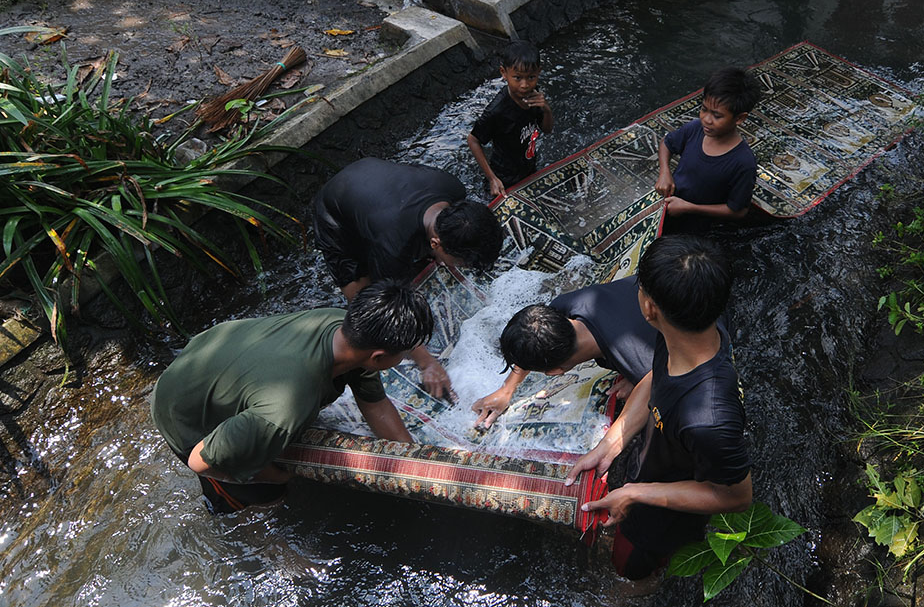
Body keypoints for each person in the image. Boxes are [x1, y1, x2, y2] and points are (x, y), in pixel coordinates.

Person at [151, 281, 433, 513]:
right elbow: (200, 461)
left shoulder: (341, 326)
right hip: (181, 411)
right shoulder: (285, 409)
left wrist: (414, 463)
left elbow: (377, 406)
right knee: (271, 496)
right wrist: (276, 475)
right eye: (404, 353)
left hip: (209, 356)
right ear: (379, 357)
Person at [566, 235, 752, 580]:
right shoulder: (694, 330)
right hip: (655, 469)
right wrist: (613, 441)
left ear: (649, 308)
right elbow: (656, 375)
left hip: (664, 516)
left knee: (630, 571)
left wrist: (636, 494)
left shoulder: (708, 418)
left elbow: (735, 497)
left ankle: (632, 603)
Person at [311, 157, 504, 399]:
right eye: (461, 262)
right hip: (335, 211)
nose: (463, 268)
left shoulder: (454, 190)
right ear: (436, 243)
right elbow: (383, 307)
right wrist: (427, 363)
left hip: (373, 180)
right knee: (363, 298)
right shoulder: (393, 246)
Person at [471, 275, 657, 429]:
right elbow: (531, 334)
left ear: (555, 372)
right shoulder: (567, 304)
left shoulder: (641, 366)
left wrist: (638, 383)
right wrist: (506, 389)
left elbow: (658, 379)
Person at [655, 67, 761, 235]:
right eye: (704, 109)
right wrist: (665, 172)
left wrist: (689, 208)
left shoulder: (743, 163)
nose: (706, 119)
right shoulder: (695, 128)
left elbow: (738, 210)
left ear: (740, 118)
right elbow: (666, 143)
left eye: (717, 116)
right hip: (670, 206)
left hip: (699, 225)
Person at [467, 40, 555, 198]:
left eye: (531, 77)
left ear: (539, 73)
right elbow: (473, 140)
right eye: (517, 78)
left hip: (528, 167)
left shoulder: (535, 95)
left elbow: (547, 130)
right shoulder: (497, 110)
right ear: (504, 73)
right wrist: (492, 178)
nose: (524, 85)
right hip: (504, 178)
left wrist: (546, 109)